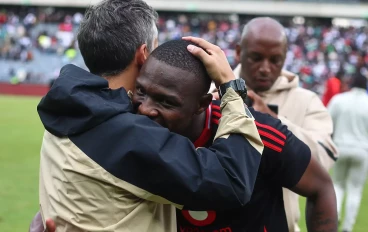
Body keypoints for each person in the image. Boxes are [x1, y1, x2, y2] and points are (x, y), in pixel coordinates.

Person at [34, 39, 338, 232]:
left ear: (202, 104)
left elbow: (322, 187)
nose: (146, 110)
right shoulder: (128, 128)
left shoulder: (254, 133)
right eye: (142, 91)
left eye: (166, 102)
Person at [33, 0, 264, 231]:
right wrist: (230, 87)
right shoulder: (128, 136)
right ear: (144, 54)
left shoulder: (67, 105)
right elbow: (232, 180)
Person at [233, 17, 338, 232]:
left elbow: (323, 164)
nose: (265, 68)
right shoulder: (212, 92)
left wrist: (274, 122)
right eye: (256, 58)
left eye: (275, 60)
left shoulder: (306, 101)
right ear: (238, 52)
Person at [328, 72, 368, 232]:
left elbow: (326, 120)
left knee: (338, 185)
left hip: (340, 147)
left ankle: (335, 216)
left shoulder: (339, 100)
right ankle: (347, 227)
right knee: (355, 189)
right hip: (362, 150)